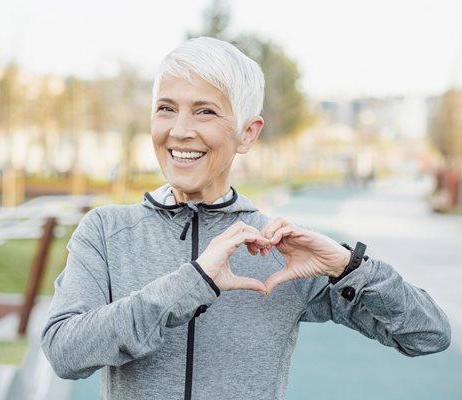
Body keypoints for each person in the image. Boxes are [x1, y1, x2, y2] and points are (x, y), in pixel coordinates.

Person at [41, 37, 451, 400]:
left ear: (247, 134)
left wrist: (349, 267)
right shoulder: (107, 232)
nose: (180, 130)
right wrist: (193, 282)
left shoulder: (281, 250)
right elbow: (65, 352)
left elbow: (428, 334)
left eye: (205, 112)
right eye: (167, 108)